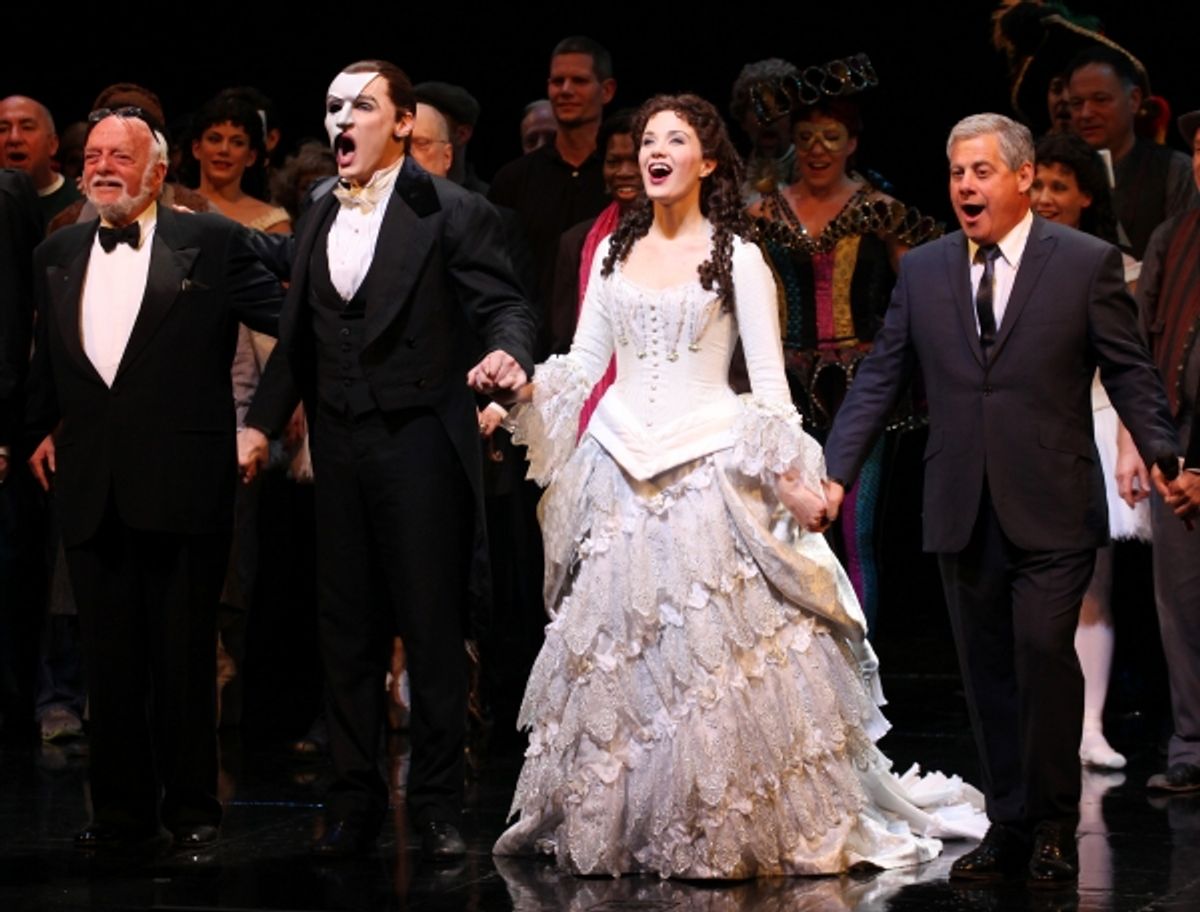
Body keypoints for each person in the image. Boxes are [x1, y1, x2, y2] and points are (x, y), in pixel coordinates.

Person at [494, 93, 985, 880]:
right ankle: (635, 824)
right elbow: (585, 365)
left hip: (707, 465)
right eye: (648, 139)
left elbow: (768, 388)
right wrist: (522, 391)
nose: (654, 151)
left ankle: (718, 824)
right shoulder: (615, 252)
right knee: (632, 662)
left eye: (674, 140)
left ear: (708, 161)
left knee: (715, 668)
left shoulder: (738, 255)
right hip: (624, 469)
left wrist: (795, 476)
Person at [823, 113, 1179, 886]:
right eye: (956, 173)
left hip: (1051, 501)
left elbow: (1129, 371)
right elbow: (880, 377)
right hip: (961, 501)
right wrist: (836, 472)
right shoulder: (925, 271)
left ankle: (1054, 822)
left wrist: (1164, 453)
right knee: (986, 672)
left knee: (1043, 654)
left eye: (981, 171)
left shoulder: (1083, 264)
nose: (965, 187)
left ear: (1022, 178)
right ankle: (1008, 824)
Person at [239, 59, 535, 860]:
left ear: (403, 122)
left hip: (418, 443)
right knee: (344, 629)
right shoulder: (313, 208)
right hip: (338, 444)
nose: (342, 121)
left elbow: (504, 304)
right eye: (333, 107)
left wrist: (508, 359)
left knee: (430, 627)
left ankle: (437, 802)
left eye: (362, 106)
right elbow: (300, 336)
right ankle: (353, 801)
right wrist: (262, 426)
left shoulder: (451, 210)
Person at [23, 108, 282, 849]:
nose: (102, 166)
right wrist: (28, 432)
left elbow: (288, 329)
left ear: (158, 172)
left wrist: (259, 421)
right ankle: (117, 815)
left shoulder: (212, 240)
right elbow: (49, 370)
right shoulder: (59, 252)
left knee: (182, 660)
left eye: (120, 156)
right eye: (93, 155)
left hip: (185, 483)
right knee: (110, 665)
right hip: (91, 487)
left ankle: (193, 811)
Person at [750, 57, 941, 632]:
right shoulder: (761, 213)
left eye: (830, 137)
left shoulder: (879, 210)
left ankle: (858, 669)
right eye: (806, 137)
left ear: (852, 143)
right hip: (781, 385)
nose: (816, 149)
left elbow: (922, 296)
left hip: (861, 387)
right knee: (783, 531)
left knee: (852, 531)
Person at [1031, 130, 1145, 772]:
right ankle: (1040, 721)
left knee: (1090, 584)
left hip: (1095, 424)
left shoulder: (1116, 266)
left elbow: (1131, 366)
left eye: (1059, 186)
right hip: (1028, 430)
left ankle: (1090, 726)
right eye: (1038, 183)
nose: (1046, 197)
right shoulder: (1000, 262)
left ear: (1084, 197)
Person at [1127, 108, 1200, 794]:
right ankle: (1192, 744)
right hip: (1177, 444)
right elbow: (1141, 348)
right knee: (1180, 604)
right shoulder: (1175, 237)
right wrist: (1146, 445)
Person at [1066, 46, 1198, 259]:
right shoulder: (1059, 174)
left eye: (1100, 99)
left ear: (1134, 100)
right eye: (1076, 103)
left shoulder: (1173, 170)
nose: (1086, 113)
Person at [188, 92, 291, 234]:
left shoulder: (273, 223)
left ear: (251, 157)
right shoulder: (169, 205)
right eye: (214, 139)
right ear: (197, 148)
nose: (224, 150)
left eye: (237, 143)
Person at [0, 95, 81, 223]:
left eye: (27, 127)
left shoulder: (83, 205)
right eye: (2, 129)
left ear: (52, 144)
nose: (14, 138)